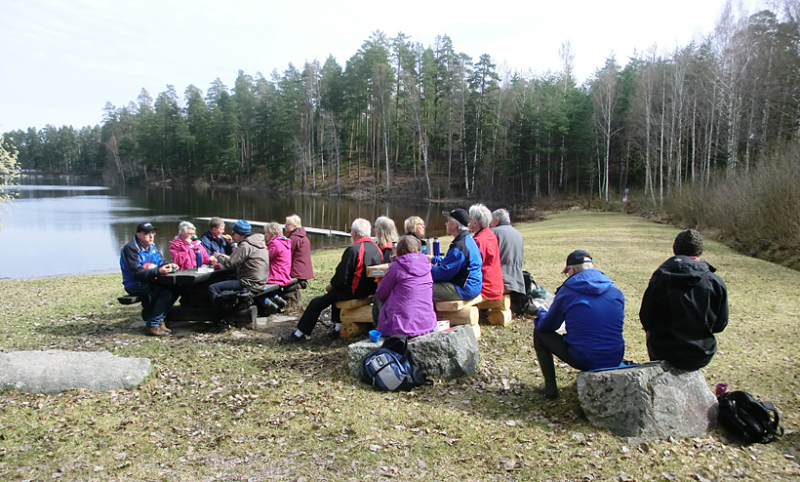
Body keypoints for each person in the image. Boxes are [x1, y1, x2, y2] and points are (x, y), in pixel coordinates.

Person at [534, 250, 625, 399]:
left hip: (585, 358)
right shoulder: (615, 290)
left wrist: (541, 313)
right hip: (616, 355)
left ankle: (550, 387)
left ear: (571, 269)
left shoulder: (568, 291)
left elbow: (547, 326)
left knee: (539, 333)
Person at [639, 229, 729, 370]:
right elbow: (720, 325)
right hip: (700, 353)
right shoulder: (714, 281)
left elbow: (647, 319)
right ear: (699, 251)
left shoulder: (660, 278)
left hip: (662, 350)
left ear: (675, 249)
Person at [281, 218, 382, 342]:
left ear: (354, 233)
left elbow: (341, 277)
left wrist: (331, 286)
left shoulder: (353, 250)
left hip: (354, 291)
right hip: (369, 289)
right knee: (335, 295)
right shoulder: (376, 248)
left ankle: (301, 334)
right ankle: (338, 327)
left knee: (316, 302)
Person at [207, 220, 270, 332]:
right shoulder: (259, 242)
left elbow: (230, 264)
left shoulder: (246, 245)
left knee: (213, 288)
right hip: (260, 280)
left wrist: (218, 256)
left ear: (239, 234)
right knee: (223, 280)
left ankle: (220, 322)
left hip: (249, 283)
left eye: (233, 233)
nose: (232, 235)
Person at [120, 222, 180, 336]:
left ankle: (159, 320)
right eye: (147, 233)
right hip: (135, 284)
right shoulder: (130, 249)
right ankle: (153, 324)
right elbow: (136, 272)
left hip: (151, 281)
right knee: (165, 292)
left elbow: (161, 261)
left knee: (177, 288)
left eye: (152, 233)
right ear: (139, 235)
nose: (151, 236)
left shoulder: (152, 247)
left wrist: (170, 265)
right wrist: (158, 271)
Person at [375, 235, 437, 337]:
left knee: (377, 297)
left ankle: (377, 328)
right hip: (427, 323)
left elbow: (381, 293)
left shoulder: (396, 267)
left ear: (398, 251)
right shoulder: (426, 266)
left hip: (401, 327)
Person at [430, 208, 482, 302]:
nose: (446, 224)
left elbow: (444, 273)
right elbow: (453, 263)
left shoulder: (459, 247)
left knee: (422, 287)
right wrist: (433, 259)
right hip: (473, 286)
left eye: (448, 221)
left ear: (456, 224)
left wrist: (423, 268)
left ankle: (431, 316)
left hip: (465, 289)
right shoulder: (467, 239)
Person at [490, 208, 526, 313]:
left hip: (502, 280)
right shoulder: (517, 233)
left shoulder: (493, 233)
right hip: (517, 280)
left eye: (491, 221)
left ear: (496, 220)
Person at [468, 204, 504, 301]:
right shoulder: (490, 234)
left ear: (475, 223)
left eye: (470, 219)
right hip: (496, 283)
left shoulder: (479, 241)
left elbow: (471, 265)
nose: (468, 221)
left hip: (486, 287)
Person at [285, 214, 314, 287]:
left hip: (297, 272)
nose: (285, 225)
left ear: (295, 226)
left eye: (288, 224)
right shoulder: (302, 236)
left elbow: (287, 254)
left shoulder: (294, 238)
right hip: (304, 271)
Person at [264, 222, 292, 287]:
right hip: (283, 275)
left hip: (275, 277)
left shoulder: (275, 244)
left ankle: (273, 296)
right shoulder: (284, 242)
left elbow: (264, 258)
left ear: (271, 232)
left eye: (266, 232)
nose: (265, 235)